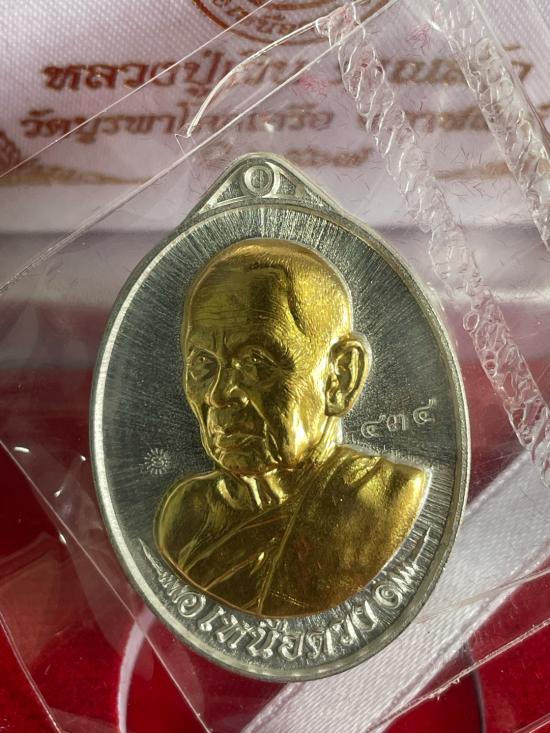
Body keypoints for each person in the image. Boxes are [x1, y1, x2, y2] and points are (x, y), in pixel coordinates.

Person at [155, 238, 426, 617]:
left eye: (255, 361)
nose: (218, 394)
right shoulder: (187, 518)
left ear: (341, 378)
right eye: (203, 363)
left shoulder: (388, 501)